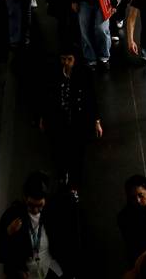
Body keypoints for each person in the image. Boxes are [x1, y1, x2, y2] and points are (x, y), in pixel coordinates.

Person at [41, 50, 102, 195]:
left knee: (77, 154)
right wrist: (44, 117)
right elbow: (47, 96)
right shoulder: (54, 73)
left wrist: (96, 120)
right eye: (63, 59)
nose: (66, 63)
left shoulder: (84, 74)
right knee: (60, 151)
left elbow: (91, 97)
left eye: (69, 59)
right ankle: (64, 176)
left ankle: (74, 183)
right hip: (59, 121)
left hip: (78, 122)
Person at [0, 172, 76, 279]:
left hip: (47, 271)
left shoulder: (51, 215)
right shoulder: (12, 215)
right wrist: (8, 233)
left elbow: (63, 246)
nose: (35, 210)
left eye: (40, 205)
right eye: (31, 205)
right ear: (25, 198)